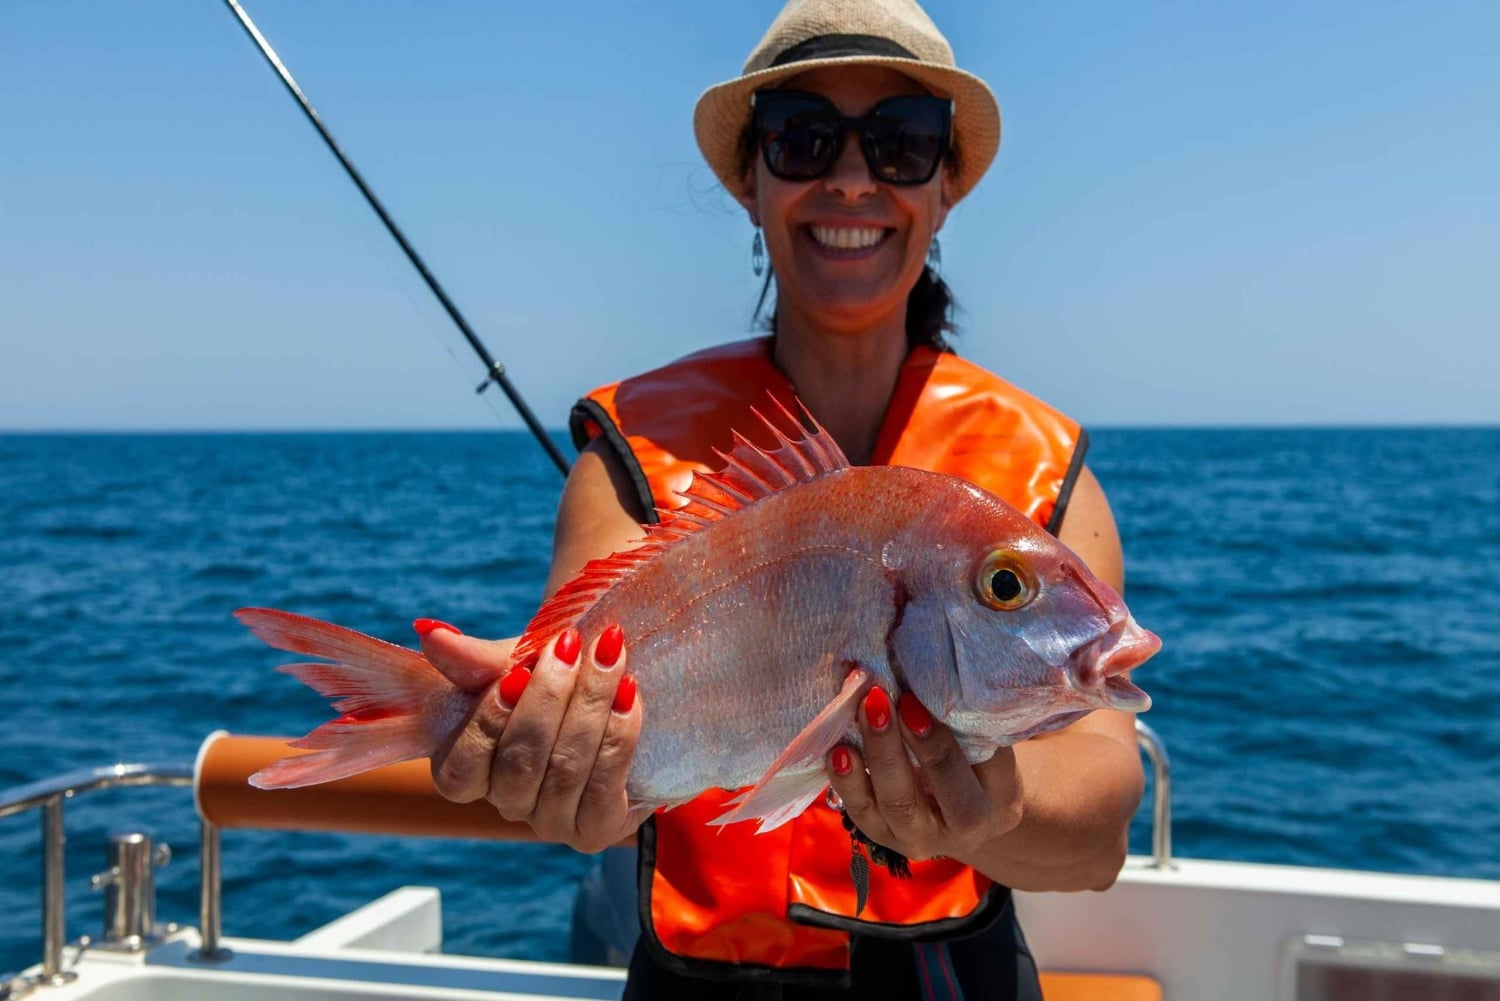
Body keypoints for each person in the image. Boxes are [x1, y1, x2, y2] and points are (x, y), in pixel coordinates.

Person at [415, 0, 1145, 996]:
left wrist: (998, 807)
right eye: (803, 138)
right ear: (752, 184)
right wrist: (554, 769)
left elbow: (1101, 825)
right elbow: (595, 745)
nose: (852, 178)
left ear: (947, 187)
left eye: (902, 141)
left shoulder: (1043, 472)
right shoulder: (632, 454)